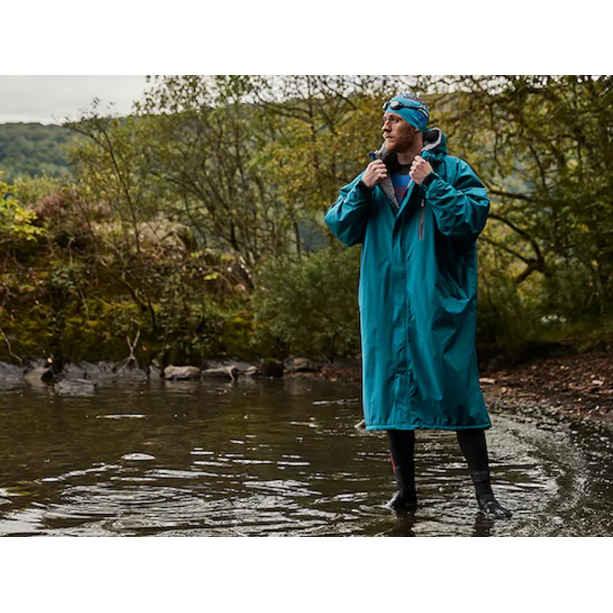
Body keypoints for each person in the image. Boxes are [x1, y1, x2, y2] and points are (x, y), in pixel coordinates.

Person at [324, 93, 511, 519]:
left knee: (459, 392)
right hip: (385, 305)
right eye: (384, 120)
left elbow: (469, 221)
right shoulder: (372, 175)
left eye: (393, 119)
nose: (385, 126)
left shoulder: (452, 170)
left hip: (435, 302)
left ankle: (485, 495)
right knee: (393, 397)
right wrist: (361, 187)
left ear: (415, 125)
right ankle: (405, 493)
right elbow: (340, 226)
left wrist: (432, 183)